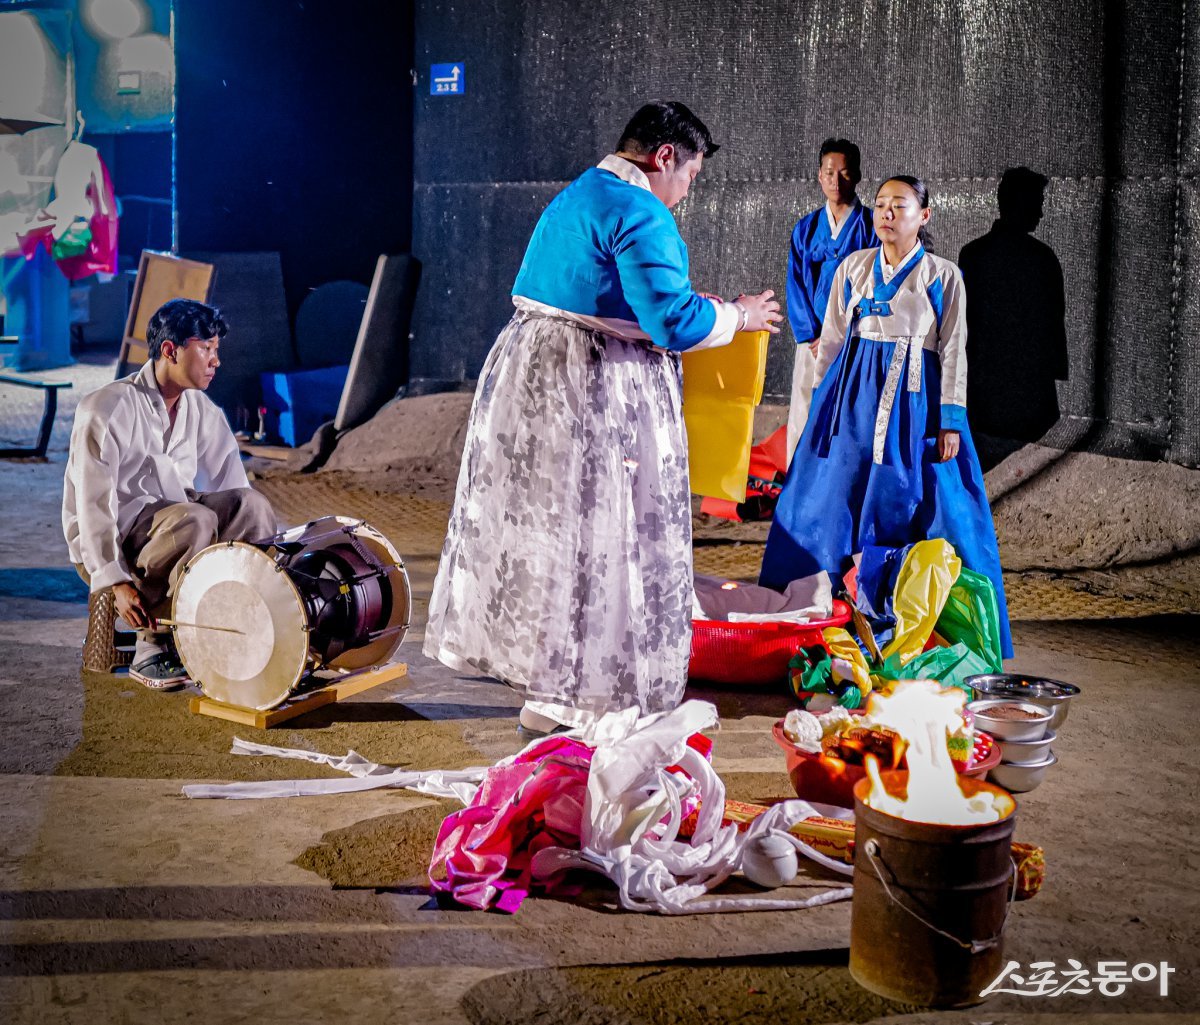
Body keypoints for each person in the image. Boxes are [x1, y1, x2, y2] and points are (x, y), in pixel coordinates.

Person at [424, 101, 782, 735]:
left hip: (531, 375)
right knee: (605, 531)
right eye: (691, 177)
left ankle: (550, 686)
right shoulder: (640, 210)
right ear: (664, 157)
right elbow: (669, 320)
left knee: (555, 535)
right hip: (592, 386)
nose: (685, 193)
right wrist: (738, 316)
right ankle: (584, 695)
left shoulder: (576, 195)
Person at [760, 175, 1013, 659]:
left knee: (926, 505)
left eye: (899, 205)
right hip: (852, 401)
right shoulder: (853, 268)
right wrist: (820, 410)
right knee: (831, 498)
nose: (886, 214)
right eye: (879, 205)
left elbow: (955, 350)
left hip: (915, 406)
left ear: (925, 215)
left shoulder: (943, 276)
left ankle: (921, 624)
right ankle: (821, 614)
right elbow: (831, 342)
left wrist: (951, 421)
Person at [63, 299, 277, 689]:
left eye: (217, 350)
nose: (216, 361)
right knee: (195, 519)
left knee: (252, 507)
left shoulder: (200, 408)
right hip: (113, 546)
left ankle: (239, 623)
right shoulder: (106, 408)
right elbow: (92, 508)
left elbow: (231, 483)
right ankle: (153, 645)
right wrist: (114, 580)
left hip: (175, 527)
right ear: (169, 350)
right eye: (206, 349)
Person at [958, 167, 1068, 468]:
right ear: (1020, 203)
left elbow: (965, 325)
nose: (1041, 212)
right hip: (1029, 394)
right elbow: (1052, 324)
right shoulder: (1042, 259)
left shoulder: (973, 255)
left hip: (983, 392)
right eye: (1037, 202)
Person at [785, 138, 877, 462]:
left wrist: (846, 332)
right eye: (829, 172)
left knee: (851, 411)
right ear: (820, 176)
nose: (836, 180)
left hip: (855, 339)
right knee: (803, 408)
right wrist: (811, 334)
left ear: (858, 175)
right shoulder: (806, 229)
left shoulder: (871, 227)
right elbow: (795, 284)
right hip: (812, 340)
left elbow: (876, 285)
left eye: (844, 172)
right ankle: (797, 483)